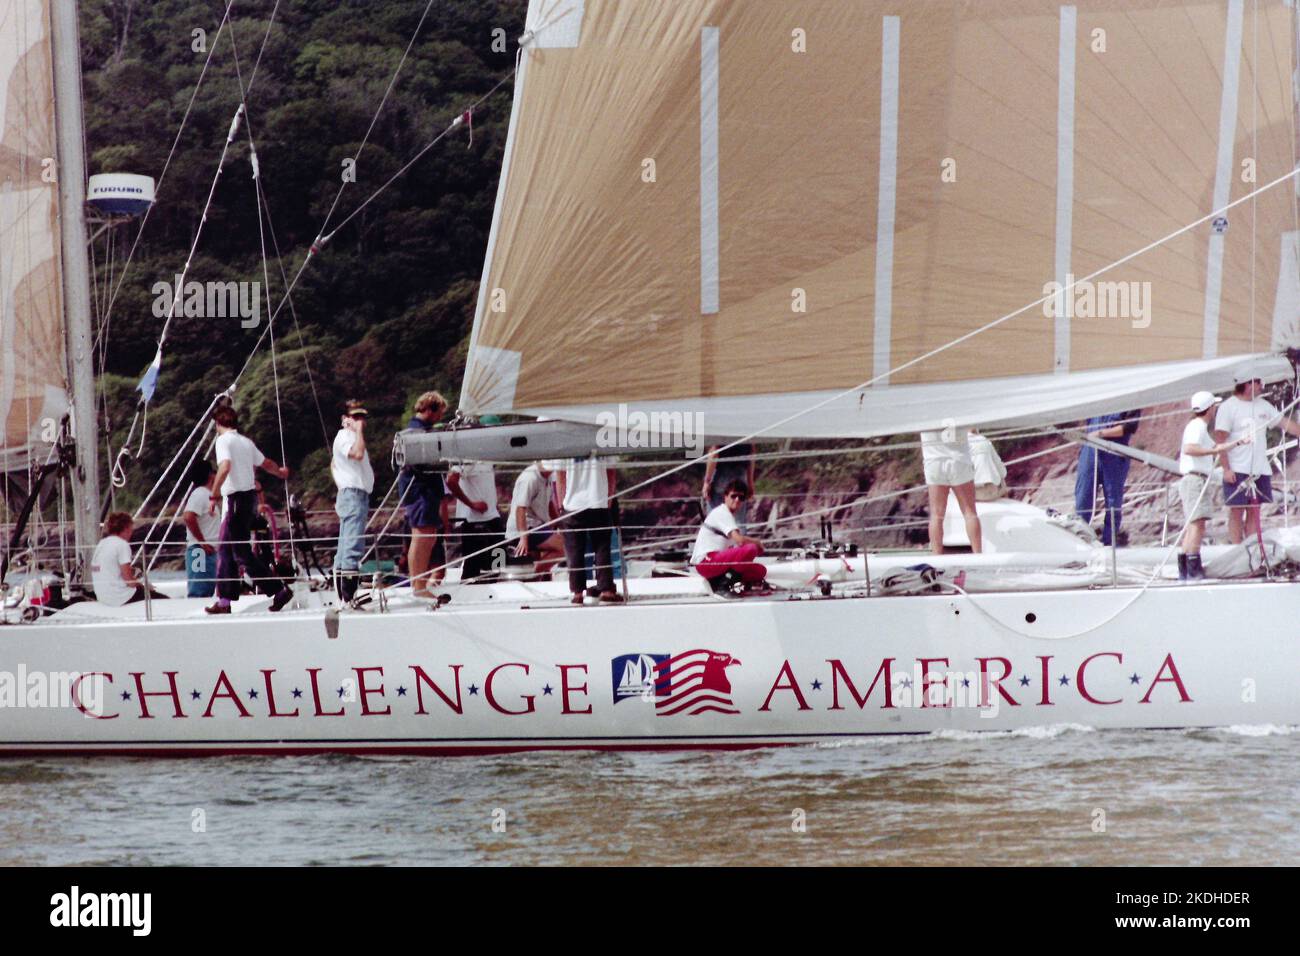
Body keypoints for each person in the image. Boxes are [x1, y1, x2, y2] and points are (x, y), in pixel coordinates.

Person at [205, 404, 294, 614]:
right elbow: (266, 463)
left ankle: (274, 590)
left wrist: (214, 493)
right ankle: (226, 600)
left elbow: (225, 467)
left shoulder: (223, 441)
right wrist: (280, 473)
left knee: (236, 552)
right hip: (249, 499)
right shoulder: (246, 442)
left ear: (218, 424)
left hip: (235, 499)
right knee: (233, 551)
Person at [1214, 373, 1300, 544]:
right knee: (1237, 510)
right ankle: (1236, 548)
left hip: (1260, 468)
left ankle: (1252, 550)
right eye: (1259, 382)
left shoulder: (1263, 405)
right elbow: (1220, 439)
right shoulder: (1228, 407)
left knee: (1255, 510)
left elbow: (1285, 423)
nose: (1262, 386)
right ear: (1247, 384)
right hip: (1237, 468)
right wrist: (1226, 468)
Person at [1178, 391, 1251, 580]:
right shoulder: (1197, 427)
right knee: (1197, 525)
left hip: (1194, 479)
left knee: (1194, 524)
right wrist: (1210, 451)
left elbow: (1216, 448)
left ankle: (1185, 570)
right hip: (1195, 480)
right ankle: (1193, 570)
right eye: (1214, 406)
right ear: (1210, 408)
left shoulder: (1196, 426)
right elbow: (1190, 448)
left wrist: (1237, 442)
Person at [398, 391, 447, 597]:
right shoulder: (416, 434)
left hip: (424, 492)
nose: (439, 418)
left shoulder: (420, 432)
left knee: (429, 536)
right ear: (429, 409)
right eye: (438, 413)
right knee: (421, 536)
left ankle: (420, 584)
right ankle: (418, 587)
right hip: (420, 492)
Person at [558, 454, 622, 604]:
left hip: (572, 504)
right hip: (598, 501)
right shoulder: (602, 441)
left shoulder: (564, 445)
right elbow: (611, 471)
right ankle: (606, 590)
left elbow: (560, 475)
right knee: (602, 547)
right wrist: (609, 498)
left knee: (574, 550)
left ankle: (577, 593)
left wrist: (561, 503)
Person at [1074, 410, 1141, 546]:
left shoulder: (1131, 401)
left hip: (1114, 454)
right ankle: (1079, 542)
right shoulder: (1096, 399)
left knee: (1113, 503)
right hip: (1090, 452)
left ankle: (1109, 544)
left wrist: (1101, 433)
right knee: (1083, 499)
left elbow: (1129, 427)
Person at [331, 399, 374, 602]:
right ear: (345, 419)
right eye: (355, 416)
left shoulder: (351, 437)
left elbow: (333, 464)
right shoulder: (345, 437)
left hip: (355, 493)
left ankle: (344, 594)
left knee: (346, 542)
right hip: (353, 494)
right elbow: (357, 454)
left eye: (361, 417)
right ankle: (348, 596)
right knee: (352, 544)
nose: (359, 421)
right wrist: (358, 432)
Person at [691, 480, 768, 592]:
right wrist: (757, 542)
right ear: (725, 496)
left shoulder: (729, 516)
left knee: (760, 570)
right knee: (751, 548)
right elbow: (740, 540)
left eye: (741, 498)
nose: (737, 500)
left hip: (716, 561)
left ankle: (721, 580)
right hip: (706, 562)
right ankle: (724, 585)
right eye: (733, 496)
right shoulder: (722, 512)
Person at [920, 427, 982, 555]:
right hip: (958, 460)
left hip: (933, 461)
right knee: (969, 512)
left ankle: (936, 558)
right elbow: (969, 430)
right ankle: (978, 555)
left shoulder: (924, 411)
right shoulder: (956, 408)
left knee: (936, 515)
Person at [90, 512, 167, 606]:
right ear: (126, 528)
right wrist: (144, 586)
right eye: (131, 529)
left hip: (102, 597)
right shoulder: (122, 544)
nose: (131, 533)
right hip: (120, 597)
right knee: (164, 600)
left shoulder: (102, 544)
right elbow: (129, 580)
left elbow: (109, 569)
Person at [447, 458, 505, 581]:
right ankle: (469, 591)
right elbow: (451, 481)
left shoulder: (488, 456)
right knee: (472, 566)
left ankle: (496, 583)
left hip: (493, 517)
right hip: (474, 521)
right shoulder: (468, 457)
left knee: (499, 559)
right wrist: (471, 504)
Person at [506, 460, 564, 571]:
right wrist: (523, 538)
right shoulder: (529, 478)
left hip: (538, 525)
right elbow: (520, 509)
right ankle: (534, 572)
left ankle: (536, 575)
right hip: (525, 528)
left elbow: (550, 503)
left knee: (555, 547)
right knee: (564, 545)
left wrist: (560, 524)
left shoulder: (549, 476)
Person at [182, 461, 221, 598]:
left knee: (207, 590)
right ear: (211, 475)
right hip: (200, 550)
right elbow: (188, 516)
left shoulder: (206, 495)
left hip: (208, 550)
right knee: (199, 592)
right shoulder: (200, 494)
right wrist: (202, 541)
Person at [703, 443, 755, 525]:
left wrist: (707, 481)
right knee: (738, 522)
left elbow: (714, 453)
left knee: (714, 520)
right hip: (741, 477)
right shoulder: (748, 433)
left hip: (721, 476)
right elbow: (751, 456)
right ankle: (737, 537)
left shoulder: (722, 433)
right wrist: (750, 482)